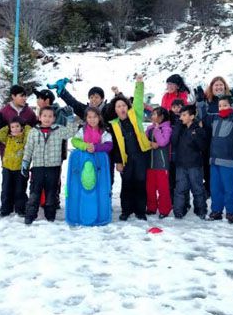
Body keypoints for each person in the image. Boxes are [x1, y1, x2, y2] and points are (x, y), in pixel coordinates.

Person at [21, 106, 79, 225]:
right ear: (39, 117)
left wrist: (70, 119)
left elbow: (71, 132)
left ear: (54, 118)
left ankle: (50, 216)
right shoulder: (33, 132)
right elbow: (28, 148)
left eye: (50, 116)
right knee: (34, 192)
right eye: (45, 116)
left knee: (51, 192)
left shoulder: (58, 130)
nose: (47, 118)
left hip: (53, 168)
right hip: (38, 168)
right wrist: (26, 162)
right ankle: (30, 215)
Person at [108, 75, 151, 221]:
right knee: (126, 184)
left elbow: (138, 100)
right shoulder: (114, 125)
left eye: (124, 105)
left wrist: (139, 84)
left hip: (140, 156)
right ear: (115, 110)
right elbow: (115, 147)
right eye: (118, 106)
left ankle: (140, 210)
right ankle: (126, 210)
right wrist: (118, 162)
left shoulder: (136, 115)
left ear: (128, 107)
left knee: (140, 182)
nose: (121, 108)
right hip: (126, 159)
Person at [67, 107, 114, 226]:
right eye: (89, 117)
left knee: (100, 185)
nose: (92, 120)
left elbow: (109, 145)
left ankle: (103, 207)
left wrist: (96, 148)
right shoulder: (82, 131)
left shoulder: (103, 131)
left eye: (95, 117)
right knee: (84, 183)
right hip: (84, 162)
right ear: (86, 119)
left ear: (99, 118)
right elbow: (74, 141)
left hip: (99, 164)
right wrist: (85, 146)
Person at [207, 96, 233, 223]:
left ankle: (231, 212)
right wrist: (201, 103)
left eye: (225, 105)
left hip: (228, 161)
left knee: (230, 188)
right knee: (215, 187)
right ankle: (216, 210)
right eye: (220, 106)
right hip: (214, 160)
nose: (222, 108)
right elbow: (203, 117)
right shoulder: (215, 119)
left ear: (231, 106)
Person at [172, 104, 208, 219]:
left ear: (192, 116)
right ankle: (179, 211)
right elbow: (173, 142)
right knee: (180, 189)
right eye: (180, 115)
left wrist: (196, 134)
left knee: (197, 188)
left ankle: (201, 210)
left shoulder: (198, 129)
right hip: (181, 165)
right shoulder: (180, 128)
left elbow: (202, 146)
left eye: (184, 115)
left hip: (194, 165)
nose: (181, 117)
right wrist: (177, 126)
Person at [0, 117, 32, 217]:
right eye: (12, 127)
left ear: (21, 127)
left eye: (17, 126)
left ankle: (21, 209)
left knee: (20, 190)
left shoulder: (24, 138)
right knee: (6, 189)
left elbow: (30, 134)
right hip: (7, 168)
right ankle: (6, 209)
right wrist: (7, 127)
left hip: (20, 168)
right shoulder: (8, 138)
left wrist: (26, 127)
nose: (15, 129)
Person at [145, 107, 173, 219]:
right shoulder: (150, 128)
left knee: (163, 188)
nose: (152, 116)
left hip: (162, 164)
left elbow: (162, 142)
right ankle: (151, 208)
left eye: (155, 114)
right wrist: (150, 143)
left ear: (161, 117)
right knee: (150, 187)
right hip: (150, 163)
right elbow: (144, 141)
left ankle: (164, 209)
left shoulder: (166, 128)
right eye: (152, 114)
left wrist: (157, 130)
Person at [0, 85, 37, 155]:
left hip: (24, 155)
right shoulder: (4, 112)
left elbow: (34, 131)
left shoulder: (30, 112)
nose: (24, 98)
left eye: (25, 96)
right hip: (8, 156)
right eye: (22, 96)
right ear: (13, 96)